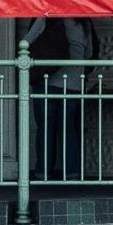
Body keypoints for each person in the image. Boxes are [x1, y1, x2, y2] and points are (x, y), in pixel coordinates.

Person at [23, 16, 97, 181]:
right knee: (68, 128)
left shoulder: (46, 18)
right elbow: (89, 54)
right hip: (73, 84)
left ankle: (43, 172)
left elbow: (26, 43)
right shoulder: (84, 23)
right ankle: (72, 173)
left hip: (46, 80)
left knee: (45, 128)